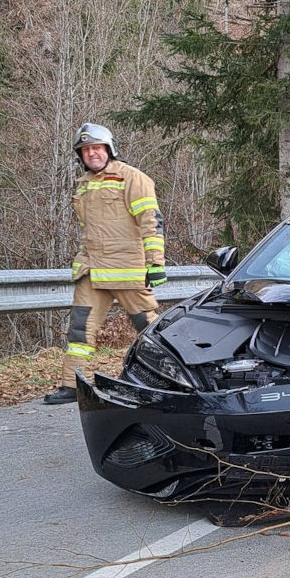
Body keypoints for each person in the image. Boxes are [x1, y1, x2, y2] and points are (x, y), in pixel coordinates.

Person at [43, 123, 166, 404]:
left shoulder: (133, 178)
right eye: (85, 150)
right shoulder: (84, 184)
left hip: (127, 272)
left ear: (109, 149)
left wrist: (155, 263)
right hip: (91, 271)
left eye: (96, 148)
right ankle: (73, 385)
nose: (92, 154)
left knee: (150, 331)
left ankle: (169, 379)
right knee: (79, 331)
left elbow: (151, 222)